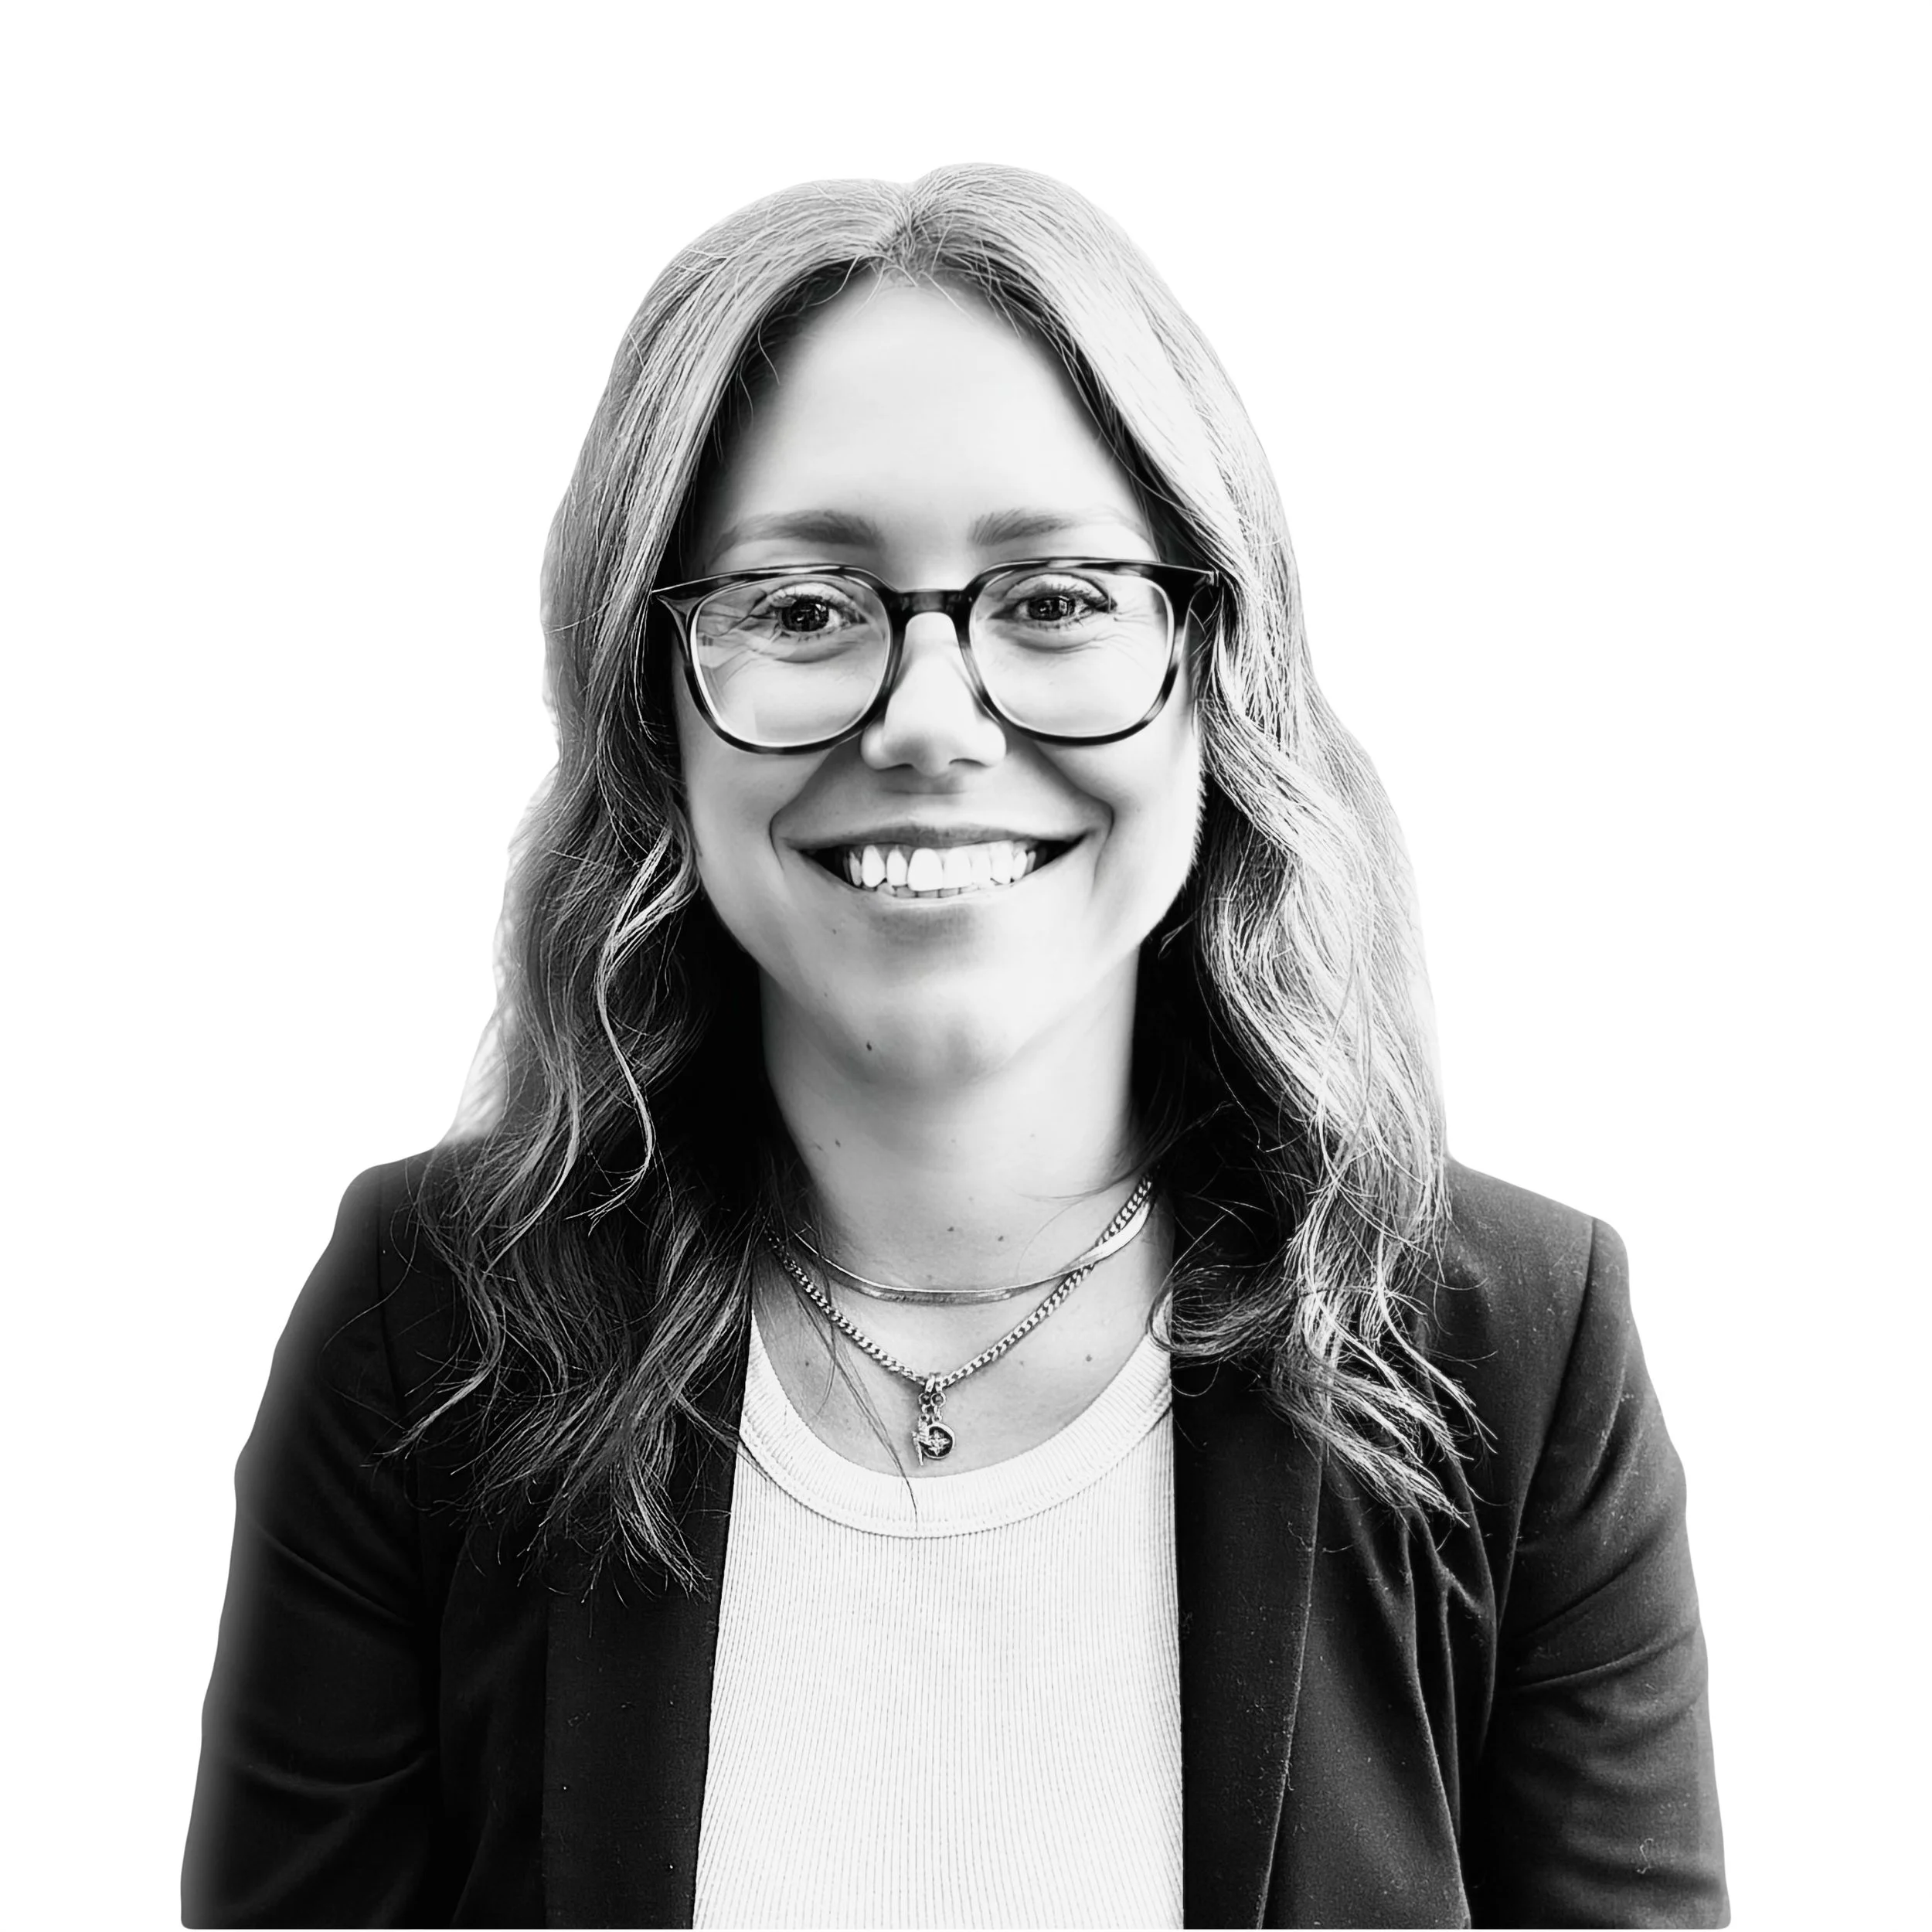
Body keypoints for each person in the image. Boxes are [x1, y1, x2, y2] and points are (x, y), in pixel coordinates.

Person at [183, 165, 1726, 1929]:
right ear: (650, 707)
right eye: (800, 605)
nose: (931, 724)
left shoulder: (1511, 1353)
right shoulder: (425, 1331)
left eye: (1055, 598)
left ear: (1219, 671)